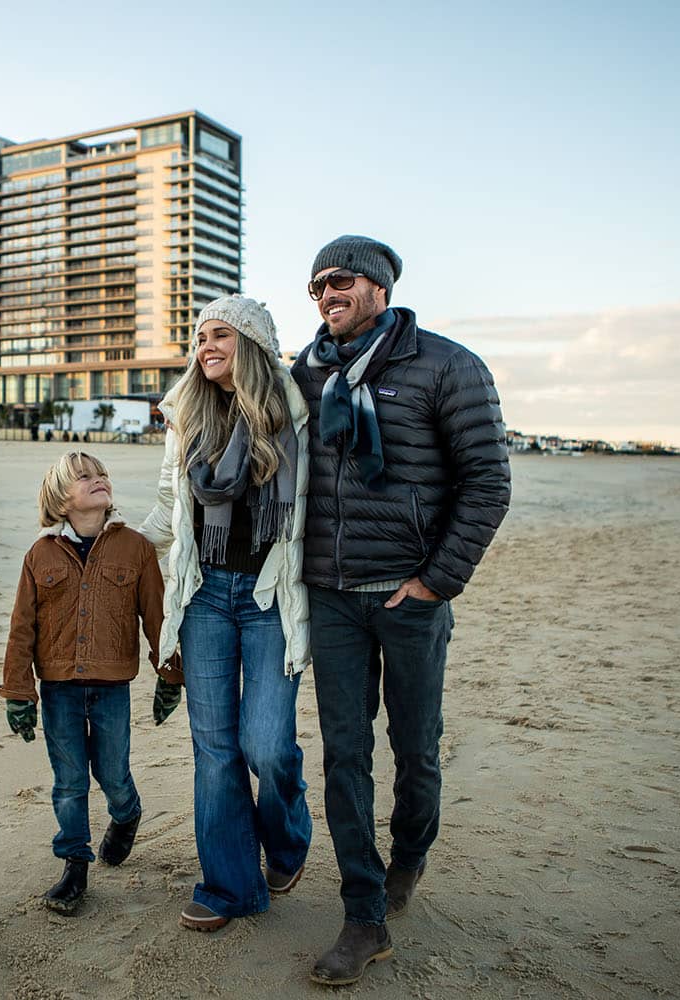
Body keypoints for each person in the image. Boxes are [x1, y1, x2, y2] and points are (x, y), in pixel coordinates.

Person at [292, 236, 510, 986]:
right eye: (317, 284)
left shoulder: (448, 365)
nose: (327, 293)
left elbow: (487, 481)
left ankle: (408, 859)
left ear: (378, 285)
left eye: (341, 280)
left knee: (416, 748)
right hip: (332, 596)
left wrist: (434, 582)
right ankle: (363, 913)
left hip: (410, 597)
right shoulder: (307, 369)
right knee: (343, 755)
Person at [140, 295, 312, 932]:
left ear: (255, 344)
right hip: (206, 593)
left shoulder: (296, 414)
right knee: (214, 749)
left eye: (221, 335)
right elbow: (170, 501)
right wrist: (120, 537)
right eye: (200, 336)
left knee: (265, 745)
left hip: (271, 595)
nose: (206, 346)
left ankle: (289, 838)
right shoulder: (188, 415)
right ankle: (228, 885)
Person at [0, 452, 182, 915]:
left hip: (112, 688)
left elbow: (158, 618)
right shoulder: (39, 554)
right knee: (70, 781)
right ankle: (74, 865)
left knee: (114, 774)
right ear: (62, 498)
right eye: (85, 476)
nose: (99, 480)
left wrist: (170, 676)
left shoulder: (135, 548)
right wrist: (19, 692)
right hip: (58, 689)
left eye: (102, 474)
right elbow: (22, 628)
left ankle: (127, 813)